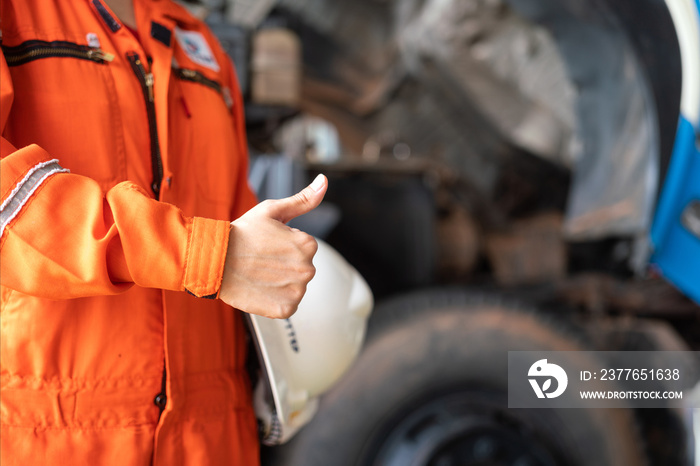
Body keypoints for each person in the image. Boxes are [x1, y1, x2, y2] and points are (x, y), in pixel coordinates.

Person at [0, 0, 327, 464]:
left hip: (214, 441)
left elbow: (238, 230)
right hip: (53, 441)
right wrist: (206, 256)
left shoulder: (198, 43)